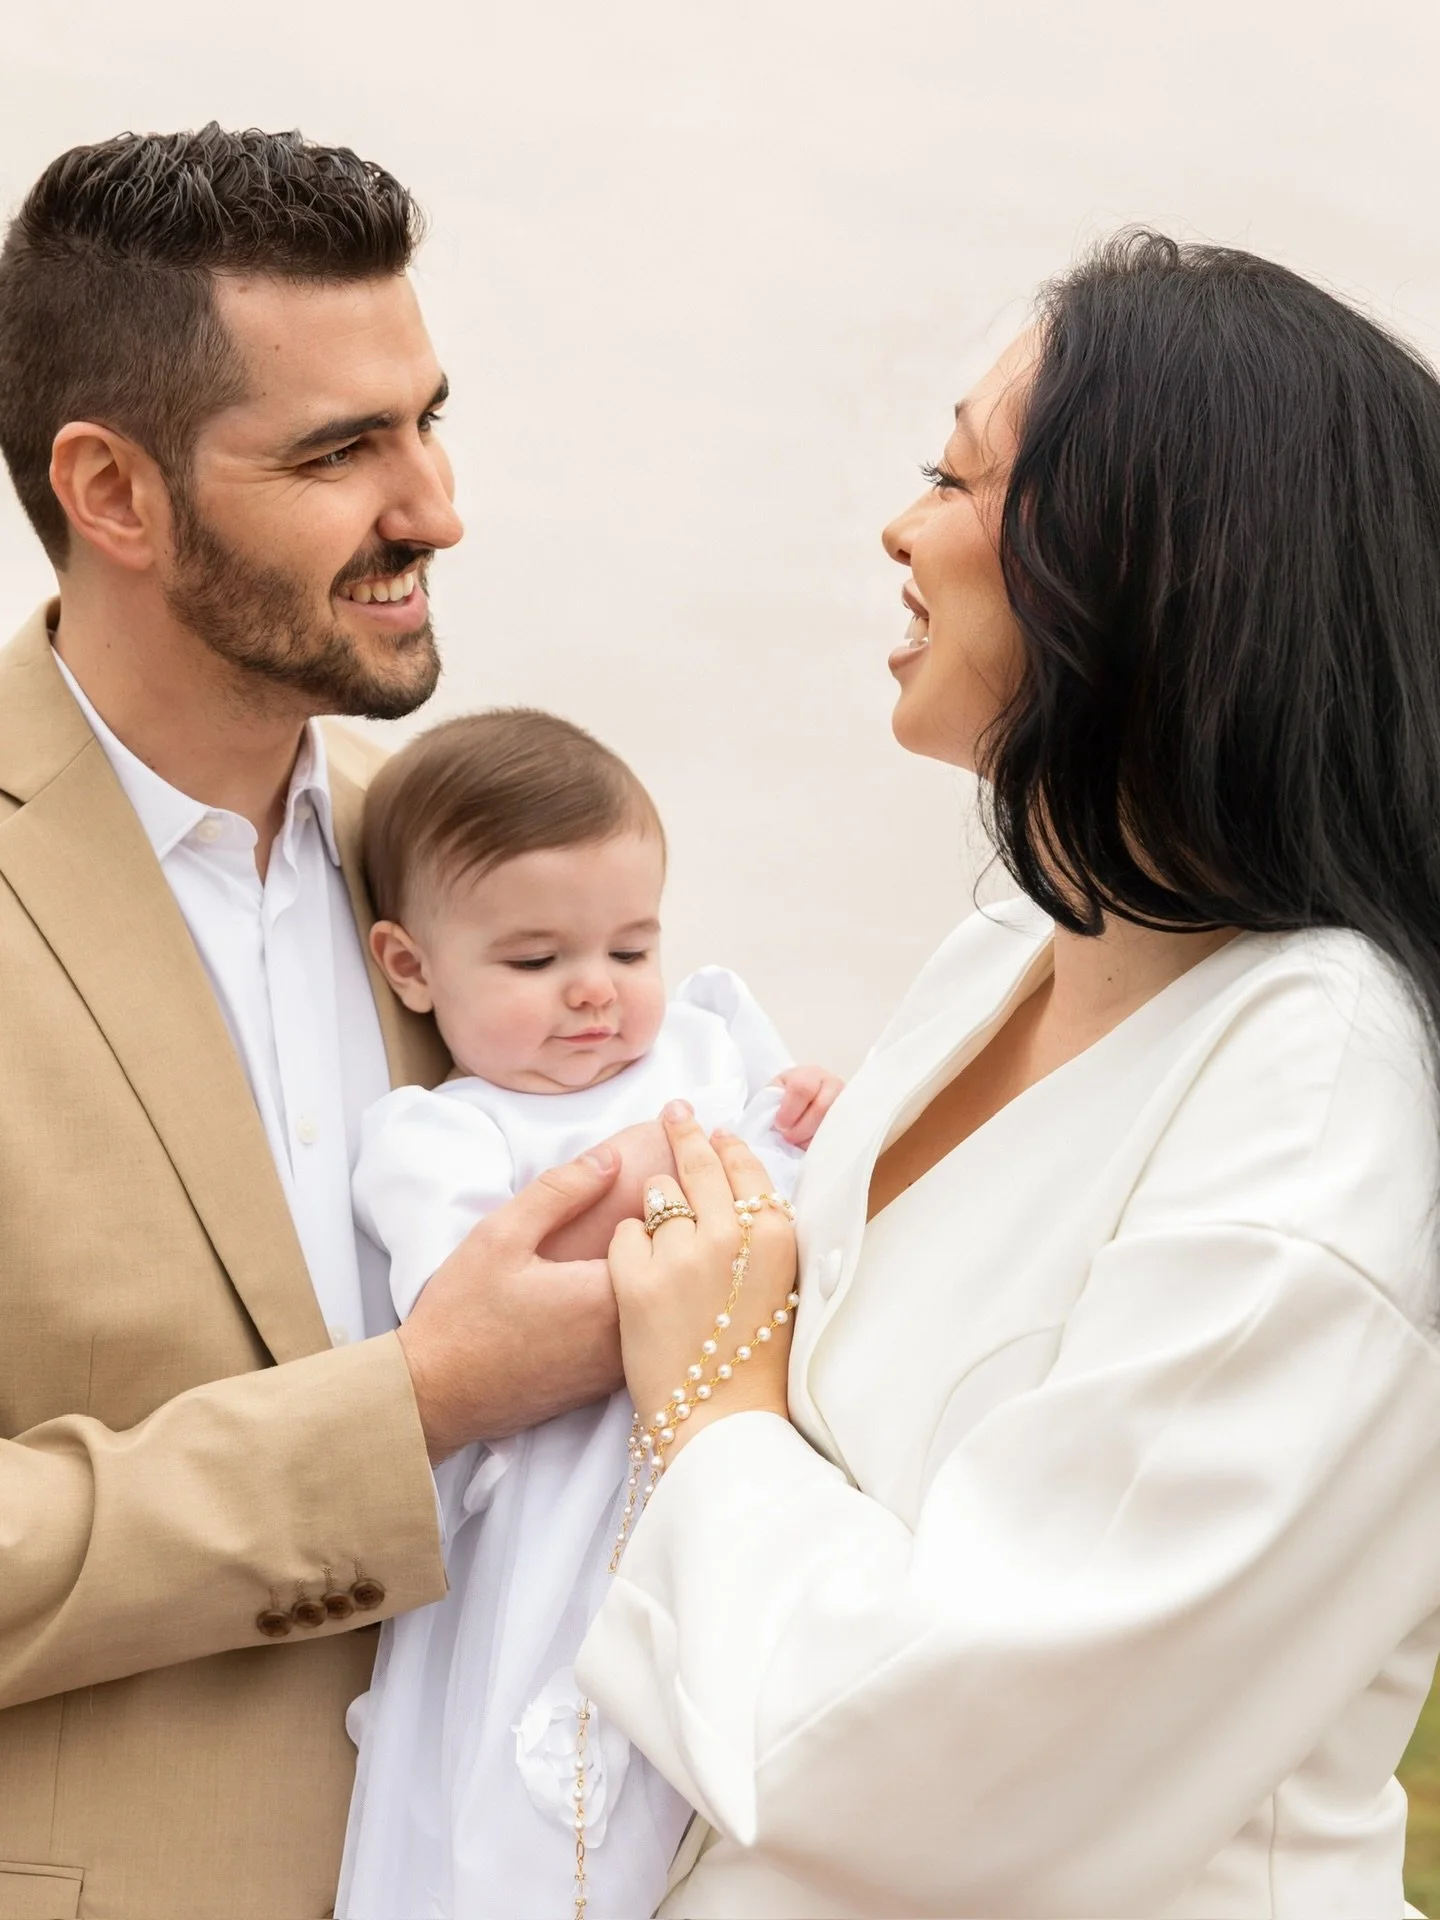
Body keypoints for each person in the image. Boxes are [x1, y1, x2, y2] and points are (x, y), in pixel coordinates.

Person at [576, 232, 1440, 1918]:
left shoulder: (1320, 1101)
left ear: (1157, 568)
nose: (902, 536)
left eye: (956, 480)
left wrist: (712, 1404)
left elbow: (951, 1757)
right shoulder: (1009, 960)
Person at [0, 126, 654, 1920]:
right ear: (111, 493)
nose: (435, 505)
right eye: (342, 450)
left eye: (427, 419)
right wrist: (418, 1407)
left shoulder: (450, 876)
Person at [336, 707, 839, 1919]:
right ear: (412, 968)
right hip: (553, 1504)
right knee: (550, 1777)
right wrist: (700, 1165)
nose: (595, 996)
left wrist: (818, 1114)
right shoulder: (446, 1133)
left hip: (738, 1451)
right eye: (533, 962)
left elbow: (807, 1184)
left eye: (630, 949)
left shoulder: (713, 1043)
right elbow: (473, 1294)